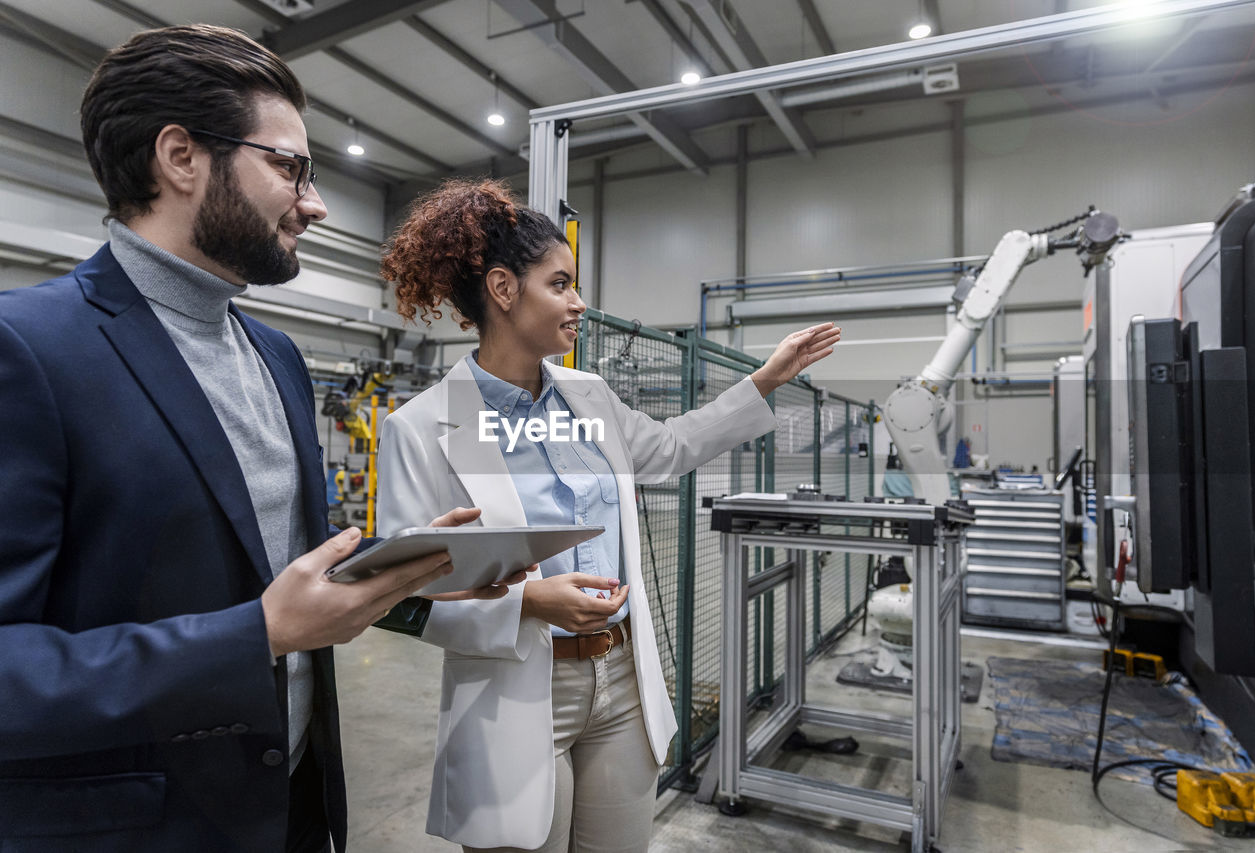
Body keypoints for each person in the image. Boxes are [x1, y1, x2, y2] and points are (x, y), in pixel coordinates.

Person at [0, 26, 520, 853]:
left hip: (292, 806)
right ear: (180, 157)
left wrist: (409, 574)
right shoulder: (27, 347)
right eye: (290, 168)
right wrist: (257, 637)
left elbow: (268, 562)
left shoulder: (274, 354)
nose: (314, 204)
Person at [376, 178, 841, 852]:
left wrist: (764, 379)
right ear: (504, 290)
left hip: (622, 681)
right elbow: (402, 597)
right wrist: (530, 600)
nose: (579, 303)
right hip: (518, 686)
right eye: (560, 284)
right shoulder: (423, 428)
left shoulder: (588, 398)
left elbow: (674, 447)